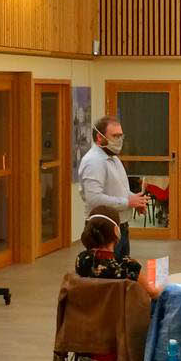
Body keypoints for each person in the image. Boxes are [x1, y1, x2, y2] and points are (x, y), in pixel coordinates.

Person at [78, 116, 148, 259]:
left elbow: (120, 189)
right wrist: (128, 202)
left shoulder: (113, 158)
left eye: (121, 136)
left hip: (120, 227)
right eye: (115, 136)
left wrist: (135, 201)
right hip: (103, 231)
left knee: (121, 276)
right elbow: (94, 199)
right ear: (99, 137)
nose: (119, 140)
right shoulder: (93, 162)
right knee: (107, 278)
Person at [74, 213, 161, 297]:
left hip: (92, 309)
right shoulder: (127, 264)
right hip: (120, 310)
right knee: (170, 291)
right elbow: (153, 293)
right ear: (116, 231)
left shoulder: (81, 258)